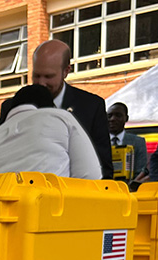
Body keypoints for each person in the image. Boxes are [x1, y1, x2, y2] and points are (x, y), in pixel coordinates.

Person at [0, 85, 101, 180]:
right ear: (50, 106)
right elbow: (90, 175)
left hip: (2, 213)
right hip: (52, 209)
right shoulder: (61, 117)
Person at [30, 40, 112, 178]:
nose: (41, 83)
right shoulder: (13, 106)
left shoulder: (92, 107)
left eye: (49, 76)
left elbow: (103, 166)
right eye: (36, 75)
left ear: (66, 71)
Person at [106, 102, 147, 188]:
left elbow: (140, 171)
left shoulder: (138, 142)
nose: (113, 119)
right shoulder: (97, 142)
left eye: (118, 115)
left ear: (126, 118)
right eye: (109, 116)